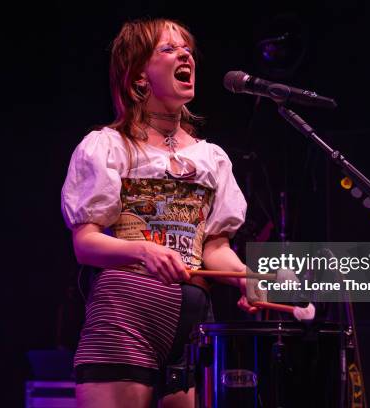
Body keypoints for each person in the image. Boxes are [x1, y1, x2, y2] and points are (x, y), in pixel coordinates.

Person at [61, 18, 258, 408]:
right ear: (138, 78)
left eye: (186, 48)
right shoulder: (108, 146)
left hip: (190, 326)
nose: (185, 54)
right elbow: (86, 244)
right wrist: (144, 251)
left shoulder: (210, 157)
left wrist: (246, 278)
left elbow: (213, 247)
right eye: (168, 49)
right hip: (124, 317)